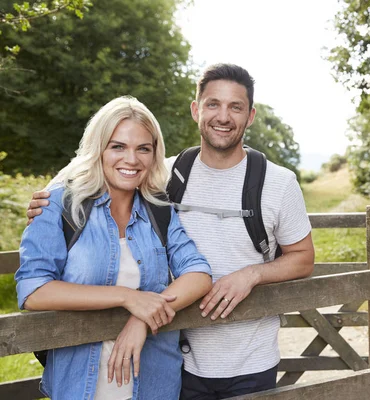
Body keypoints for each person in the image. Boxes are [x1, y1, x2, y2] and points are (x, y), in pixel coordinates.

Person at [27, 63, 315, 399]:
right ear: (196, 110)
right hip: (181, 358)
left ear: (250, 116)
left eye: (235, 107)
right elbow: (101, 167)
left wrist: (251, 274)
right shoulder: (166, 175)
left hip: (247, 359)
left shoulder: (277, 183)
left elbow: (303, 258)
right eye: (213, 104)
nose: (223, 116)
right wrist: (48, 199)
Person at [17, 96, 213, 400]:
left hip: (154, 385)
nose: (131, 160)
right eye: (118, 146)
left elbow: (199, 274)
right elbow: (33, 290)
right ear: (99, 149)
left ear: (154, 154)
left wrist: (142, 318)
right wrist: (127, 298)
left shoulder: (158, 210)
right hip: (80, 386)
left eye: (143, 149)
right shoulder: (59, 205)